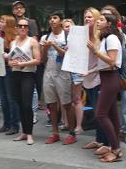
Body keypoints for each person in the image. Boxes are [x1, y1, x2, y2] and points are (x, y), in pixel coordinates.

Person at [87, 14, 123, 162]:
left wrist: (96, 52)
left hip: (111, 78)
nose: (98, 21)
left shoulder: (112, 38)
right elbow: (103, 64)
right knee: (112, 115)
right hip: (106, 78)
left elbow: (112, 61)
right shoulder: (105, 39)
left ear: (109, 24)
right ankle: (116, 147)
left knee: (101, 114)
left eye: (101, 20)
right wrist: (89, 71)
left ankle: (115, 149)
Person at [100, 5, 126, 145]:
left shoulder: (119, 33)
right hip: (107, 72)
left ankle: (125, 131)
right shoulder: (102, 35)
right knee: (112, 107)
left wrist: (119, 31)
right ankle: (115, 141)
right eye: (102, 16)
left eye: (108, 16)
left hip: (121, 70)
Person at [41, 11, 76, 145]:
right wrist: (45, 48)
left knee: (67, 104)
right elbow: (42, 60)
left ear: (61, 21)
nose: (52, 20)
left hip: (63, 73)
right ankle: (55, 132)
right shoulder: (45, 36)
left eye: (55, 18)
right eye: (50, 18)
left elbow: (69, 55)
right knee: (51, 104)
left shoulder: (67, 36)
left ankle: (72, 133)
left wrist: (54, 45)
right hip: (48, 72)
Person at [82, 8, 110, 153]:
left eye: (90, 17)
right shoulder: (81, 35)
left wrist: (89, 71)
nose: (87, 19)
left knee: (100, 112)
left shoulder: (101, 36)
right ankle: (99, 140)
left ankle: (106, 142)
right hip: (87, 77)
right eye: (86, 17)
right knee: (95, 110)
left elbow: (104, 61)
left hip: (99, 77)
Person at [8, 18, 40, 145]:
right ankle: (24, 132)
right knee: (19, 104)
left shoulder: (32, 41)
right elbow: (9, 61)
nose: (22, 28)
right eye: (20, 26)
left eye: (25, 26)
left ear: (28, 28)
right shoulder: (13, 42)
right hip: (15, 74)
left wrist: (23, 63)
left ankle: (30, 133)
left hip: (28, 75)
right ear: (16, 28)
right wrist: (12, 63)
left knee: (27, 105)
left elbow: (38, 60)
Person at [0, 15, 20, 135]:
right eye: (0, 21)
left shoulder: (15, 38)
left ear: (9, 23)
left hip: (10, 70)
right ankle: (6, 123)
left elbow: (18, 53)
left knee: (12, 99)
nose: (0, 23)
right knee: (3, 98)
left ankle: (14, 125)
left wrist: (7, 56)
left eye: (2, 21)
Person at [62, 18, 85, 134]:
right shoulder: (61, 39)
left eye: (70, 26)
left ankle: (79, 126)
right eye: (65, 26)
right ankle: (66, 123)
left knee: (76, 98)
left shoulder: (81, 39)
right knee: (65, 98)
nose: (68, 28)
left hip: (77, 70)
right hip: (64, 71)